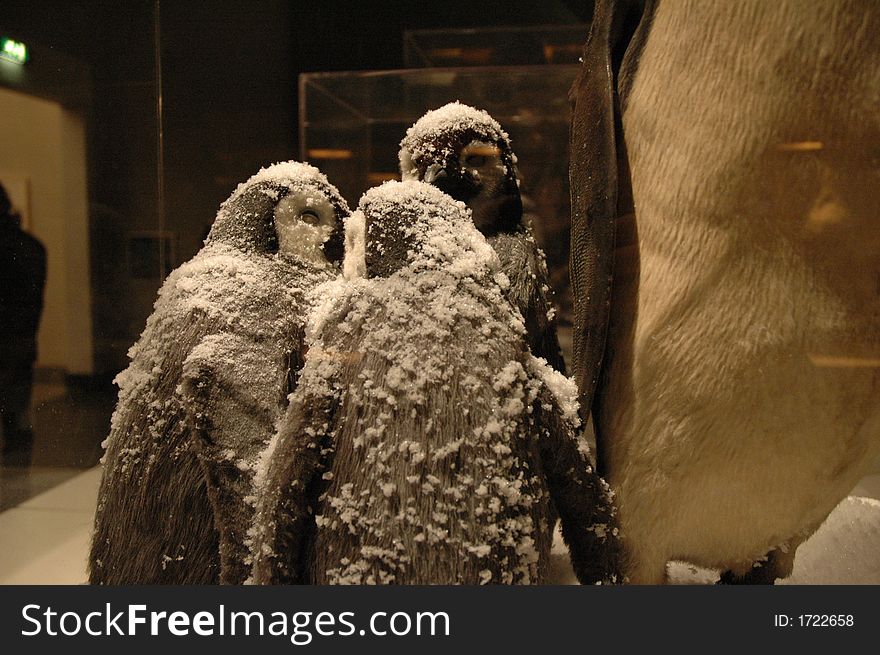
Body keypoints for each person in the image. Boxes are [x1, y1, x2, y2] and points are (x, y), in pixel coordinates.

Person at [0, 183, 46, 467]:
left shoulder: (28, 248)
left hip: (15, 338)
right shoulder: (32, 248)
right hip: (21, 339)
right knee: (16, 416)